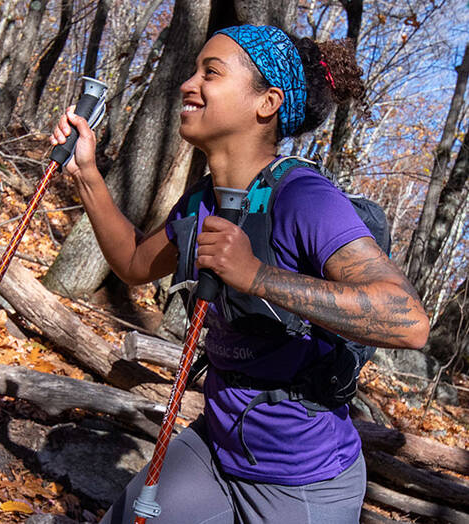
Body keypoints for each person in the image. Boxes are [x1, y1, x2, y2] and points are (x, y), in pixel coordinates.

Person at [50, 24, 429, 524]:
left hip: (303, 482)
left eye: (211, 73)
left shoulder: (303, 198)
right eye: (193, 71)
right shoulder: (202, 200)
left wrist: (253, 274)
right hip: (217, 449)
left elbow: (408, 321)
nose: (189, 84)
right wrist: (88, 176)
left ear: (266, 103)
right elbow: (133, 263)